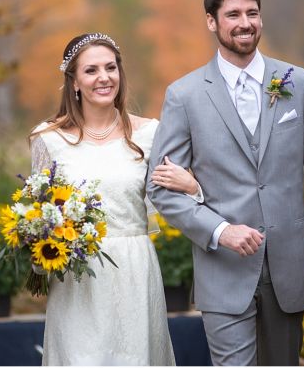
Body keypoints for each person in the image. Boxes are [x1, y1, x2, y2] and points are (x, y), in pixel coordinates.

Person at [147, 0, 304, 366]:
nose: (245, 23)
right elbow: (160, 189)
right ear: (212, 22)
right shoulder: (184, 95)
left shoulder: (298, 82)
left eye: (252, 13)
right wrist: (220, 230)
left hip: (290, 268)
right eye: (233, 14)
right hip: (223, 271)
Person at [30, 33, 198, 365]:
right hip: (78, 280)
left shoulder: (150, 133)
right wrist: (40, 247)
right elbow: (39, 214)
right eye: (91, 70)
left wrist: (193, 186)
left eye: (111, 67)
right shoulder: (47, 138)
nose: (104, 77)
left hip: (135, 269)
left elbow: (175, 199)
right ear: (74, 81)